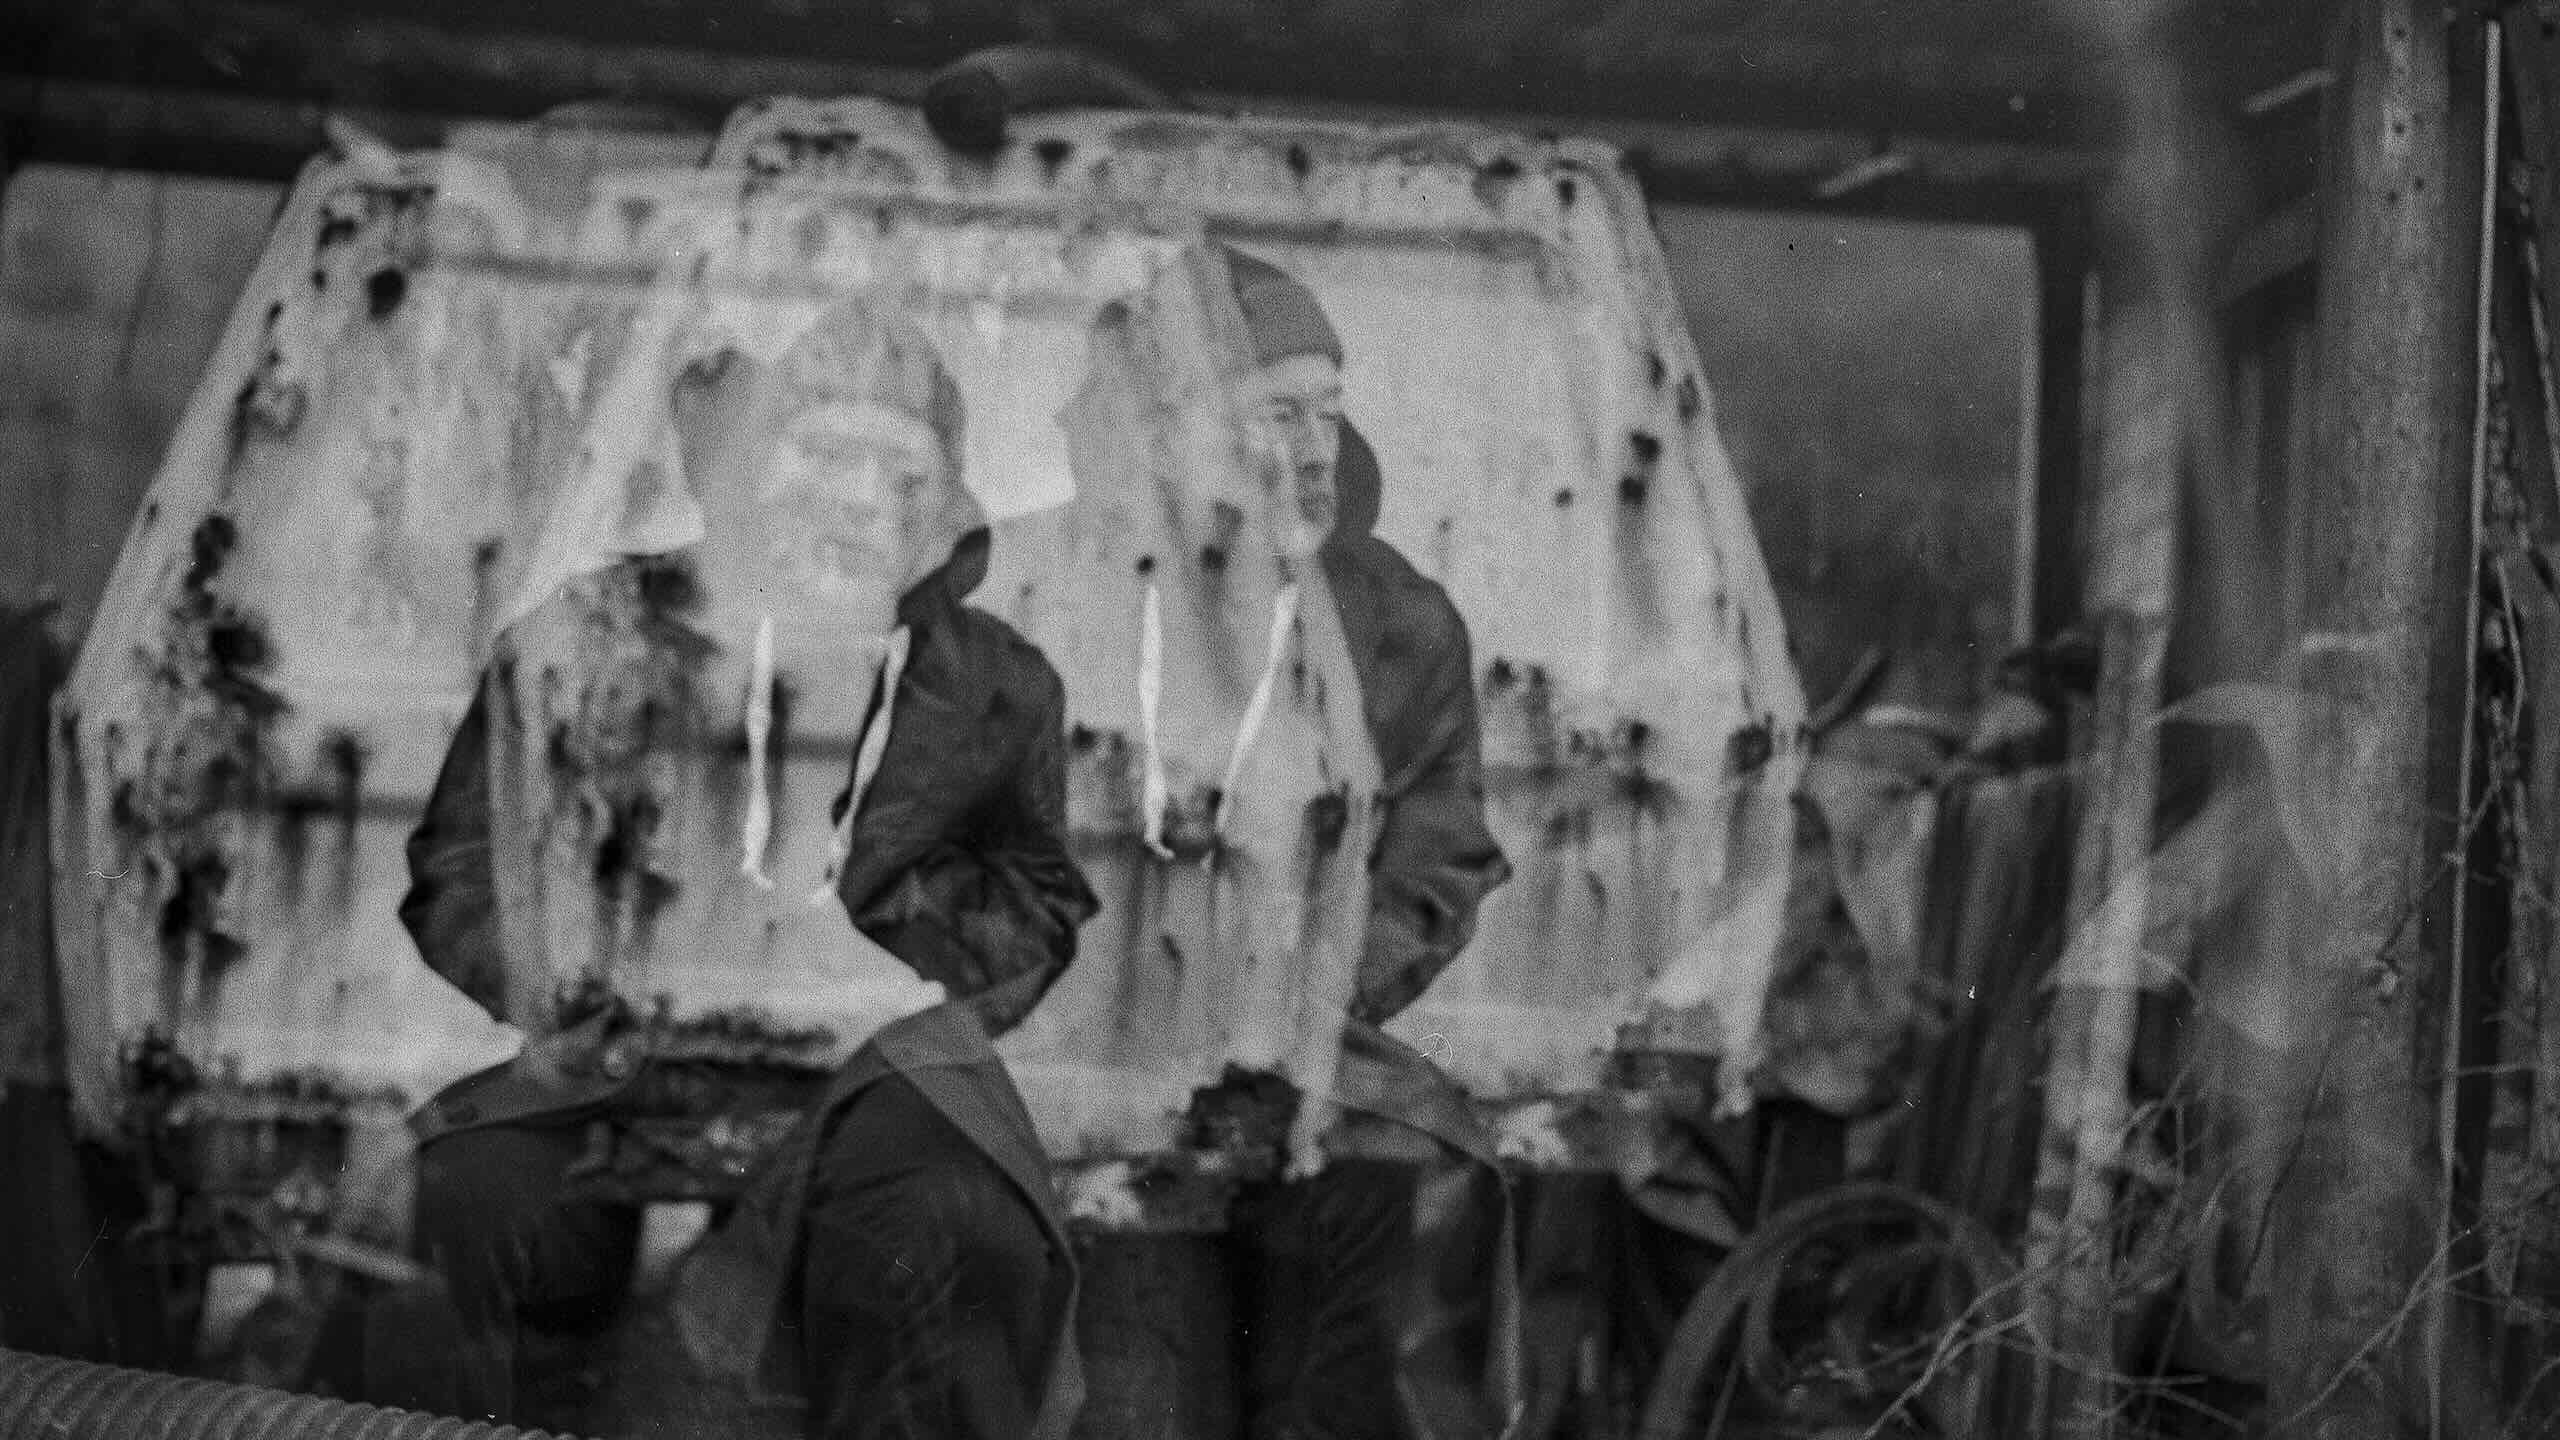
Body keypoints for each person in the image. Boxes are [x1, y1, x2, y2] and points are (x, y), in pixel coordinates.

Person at [370, 297, 1099, 1440]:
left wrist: (878, 944)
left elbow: (1041, 907)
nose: (856, 497)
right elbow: (459, 869)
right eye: (825, 453)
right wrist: (577, 984)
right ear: (756, 466)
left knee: (939, 1234)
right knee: (470, 1196)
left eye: (898, 471)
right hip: (621, 1057)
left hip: (873, 1072)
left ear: (941, 506)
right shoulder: (597, 631)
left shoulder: (998, 684)